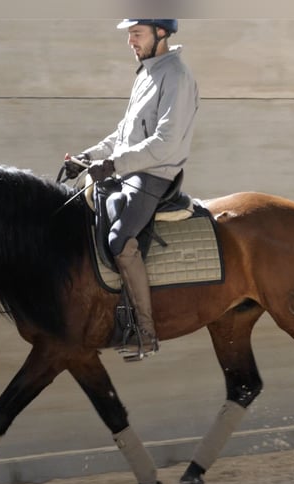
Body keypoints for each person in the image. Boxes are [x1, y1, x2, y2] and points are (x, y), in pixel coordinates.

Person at [64, 18, 200, 359]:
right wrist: (87, 157)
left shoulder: (177, 76)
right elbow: (123, 135)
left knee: (120, 240)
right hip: (130, 170)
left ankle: (145, 332)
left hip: (154, 174)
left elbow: (165, 144)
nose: (130, 42)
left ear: (162, 33)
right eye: (129, 35)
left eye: (136, 34)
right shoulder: (147, 73)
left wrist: (113, 165)